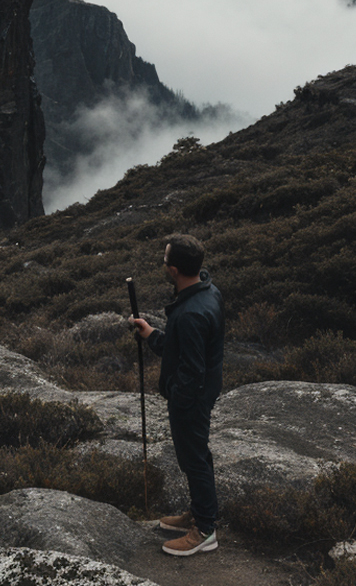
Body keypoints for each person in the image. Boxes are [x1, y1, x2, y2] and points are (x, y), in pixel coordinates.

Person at [130, 234, 224, 557]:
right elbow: (183, 346)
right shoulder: (207, 291)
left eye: (166, 259)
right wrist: (153, 334)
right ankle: (199, 512)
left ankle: (205, 530)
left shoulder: (190, 314)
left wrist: (176, 396)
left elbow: (191, 370)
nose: (163, 263)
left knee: (194, 459)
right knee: (195, 456)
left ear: (174, 270)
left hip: (192, 399)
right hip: (202, 392)